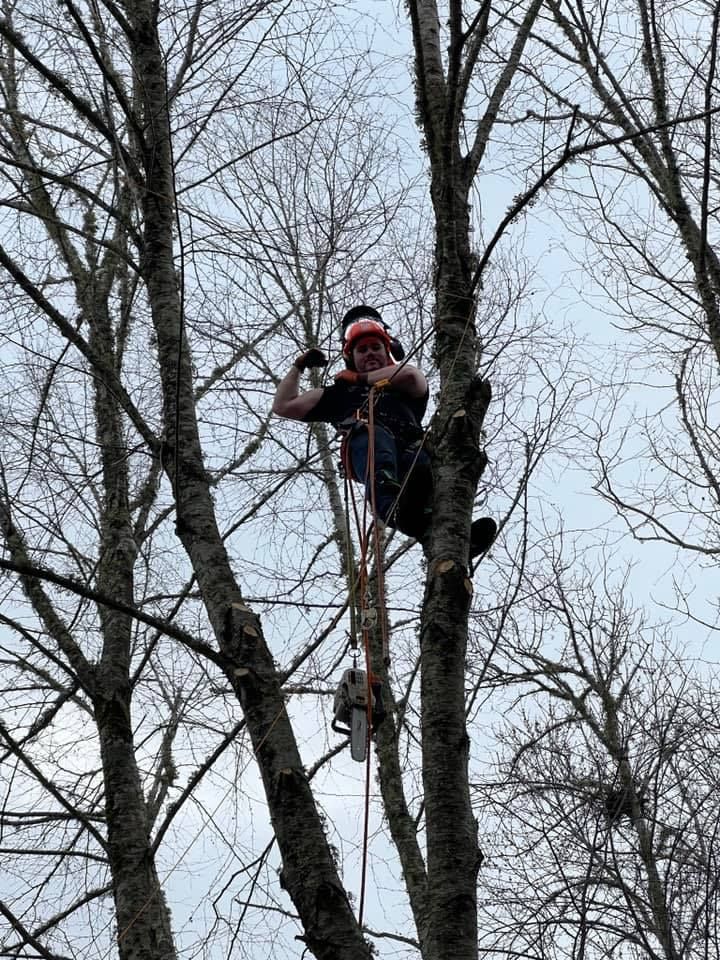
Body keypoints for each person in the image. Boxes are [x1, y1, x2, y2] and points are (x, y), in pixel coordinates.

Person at [272, 305, 496, 558]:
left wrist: (358, 379)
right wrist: (298, 366)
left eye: (376, 347)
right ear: (351, 357)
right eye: (362, 350)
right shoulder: (339, 394)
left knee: (424, 467)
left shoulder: (397, 382)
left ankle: (450, 535)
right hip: (369, 445)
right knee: (374, 440)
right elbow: (284, 406)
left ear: (388, 350)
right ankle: (394, 509)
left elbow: (413, 377)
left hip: (411, 448)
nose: (369, 354)